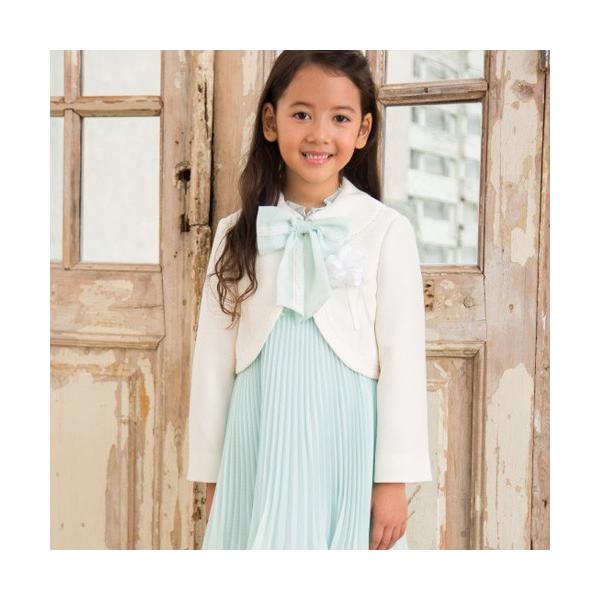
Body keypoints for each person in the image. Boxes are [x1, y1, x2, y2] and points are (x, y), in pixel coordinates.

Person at [186, 50, 433, 550]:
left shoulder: (386, 230)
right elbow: (212, 361)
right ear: (271, 122)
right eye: (301, 114)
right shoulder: (237, 233)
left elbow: (403, 359)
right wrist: (213, 477)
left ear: (362, 130)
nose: (319, 134)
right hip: (260, 438)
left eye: (340, 118)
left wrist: (392, 479)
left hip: (346, 441)